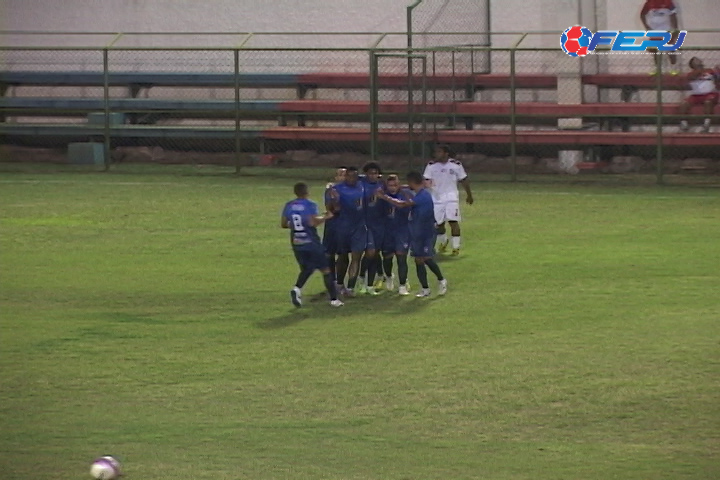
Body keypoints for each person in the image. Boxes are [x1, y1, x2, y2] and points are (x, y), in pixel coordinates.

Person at [377, 171, 447, 298]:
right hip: (417, 232)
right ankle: (425, 289)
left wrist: (384, 197)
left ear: (412, 182)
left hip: (427, 233)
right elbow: (406, 190)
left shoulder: (423, 196)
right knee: (418, 260)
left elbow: (402, 204)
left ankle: (441, 280)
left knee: (426, 258)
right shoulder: (419, 193)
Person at [281, 182, 343, 308]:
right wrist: (326, 217)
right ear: (307, 191)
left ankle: (297, 289)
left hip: (297, 243)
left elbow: (284, 224)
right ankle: (334, 299)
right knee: (326, 270)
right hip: (311, 242)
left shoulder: (289, 205)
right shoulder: (310, 205)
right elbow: (312, 223)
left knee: (307, 268)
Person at [423, 145, 473, 256]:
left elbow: (463, 180)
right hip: (436, 199)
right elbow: (426, 181)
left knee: (453, 221)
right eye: (435, 152)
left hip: (451, 198)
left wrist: (469, 195)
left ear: (446, 153)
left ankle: (456, 247)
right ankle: (444, 241)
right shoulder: (431, 166)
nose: (436, 154)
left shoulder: (456, 165)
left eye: (439, 152)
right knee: (438, 224)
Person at [330, 166, 373, 297]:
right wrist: (335, 200)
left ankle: (350, 287)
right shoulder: (337, 189)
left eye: (355, 176)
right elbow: (334, 210)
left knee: (356, 257)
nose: (352, 179)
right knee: (343, 257)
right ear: (346, 176)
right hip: (343, 228)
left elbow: (375, 179)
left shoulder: (362, 185)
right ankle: (339, 283)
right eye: (349, 176)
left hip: (359, 228)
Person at [379, 174, 412, 295]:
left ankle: (402, 285)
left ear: (399, 185)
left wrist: (384, 196)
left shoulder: (405, 194)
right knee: (387, 258)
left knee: (401, 257)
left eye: (395, 185)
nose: (393, 188)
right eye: (390, 185)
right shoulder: (380, 196)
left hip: (402, 231)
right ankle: (388, 277)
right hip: (387, 231)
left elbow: (402, 205)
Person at [357, 162, 385, 295]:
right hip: (365, 223)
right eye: (370, 173)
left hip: (379, 224)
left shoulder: (382, 185)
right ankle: (362, 277)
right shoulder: (361, 183)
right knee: (370, 252)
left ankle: (370, 284)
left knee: (375, 253)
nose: (373, 176)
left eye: (375, 173)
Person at [678, 57, 720, 133]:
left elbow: (717, 78)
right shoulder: (690, 74)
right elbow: (693, 76)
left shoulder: (710, 71)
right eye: (696, 61)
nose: (699, 61)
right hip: (696, 95)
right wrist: (700, 72)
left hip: (710, 94)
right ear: (692, 65)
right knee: (684, 104)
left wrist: (717, 71)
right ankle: (684, 125)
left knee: (708, 102)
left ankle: (706, 125)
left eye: (699, 60)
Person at [640, 0, 680, 75]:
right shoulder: (649, 2)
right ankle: (658, 69)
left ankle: (674, 68)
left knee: (670, 49)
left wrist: (675, 28)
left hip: (666, 30)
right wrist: (647, 27)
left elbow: (673, 15)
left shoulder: (669, 2)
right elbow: (642, 15)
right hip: (655, 31)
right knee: (655, 51)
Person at [323, 166, 347, 288]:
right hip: (332, 225)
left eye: (345, 175)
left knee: (343, 254)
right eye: (340, 175)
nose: (343, 177)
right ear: (336, 177)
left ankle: (340, 283)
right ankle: (331, 281)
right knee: (329, 254)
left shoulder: (353, 189)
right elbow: (333, 208)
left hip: (346, 226)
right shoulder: (330, 190)